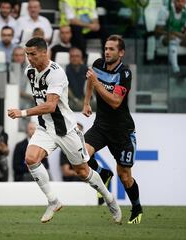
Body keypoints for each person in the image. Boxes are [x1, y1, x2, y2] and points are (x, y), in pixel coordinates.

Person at [7, 37, 121, 223]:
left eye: (33, 54)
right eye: (27, 54)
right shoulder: (29, 71)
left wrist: (22, 113)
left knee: (83, 172)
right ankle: (53, 201)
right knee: (30, 158)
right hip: (45, 128)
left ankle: (109, 199)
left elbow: (51, 106)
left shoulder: (56, 73)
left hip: (66, 130)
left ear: (45, 53)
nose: (29, 58)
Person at [82, 35, 143, 224]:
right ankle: (103, 173)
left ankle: (137, 207)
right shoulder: (98, 64)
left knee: (125, 176)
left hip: (122, 131)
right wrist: (86, 102)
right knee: (80, 154)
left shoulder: (124, 74)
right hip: (101, 126)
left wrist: (97, 82)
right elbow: (90, 81)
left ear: (121, 53)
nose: (107, 52)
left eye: (111, 49)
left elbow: (116, 102)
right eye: (106, 48)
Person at [155, 0, 186, 75]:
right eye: (179, 1)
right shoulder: (165, 10)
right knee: (172, 38)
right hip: (164, 38)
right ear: (174, 1)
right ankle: (175, 68)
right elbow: (157, 30)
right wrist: (172, 33)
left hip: (178, 37)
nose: (181, 3)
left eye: (183, 1)